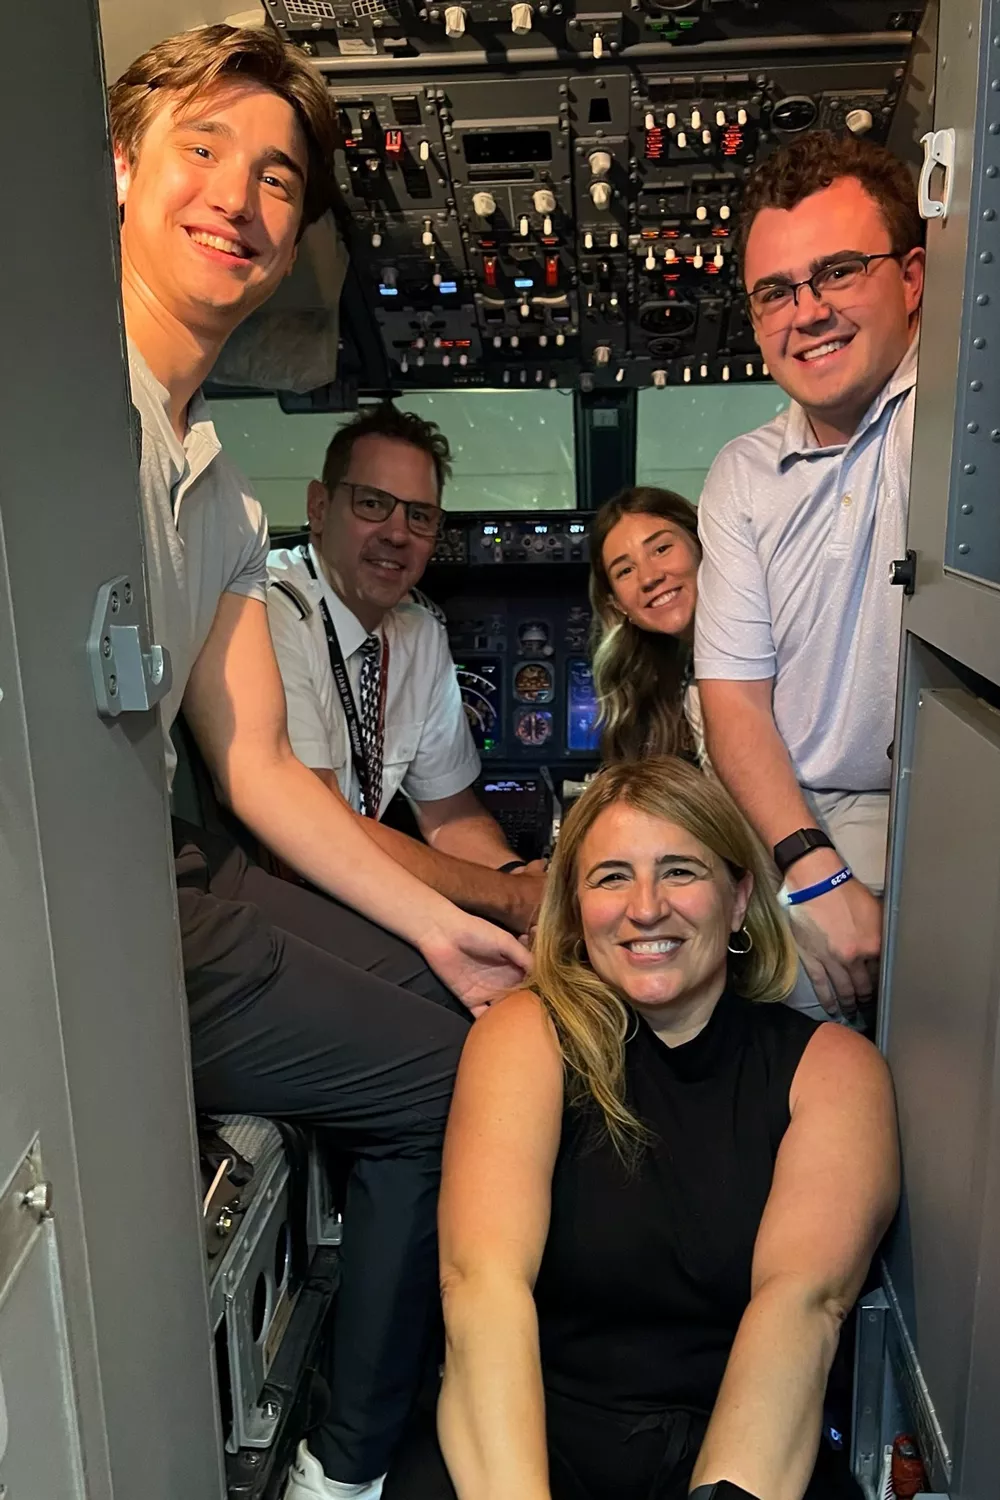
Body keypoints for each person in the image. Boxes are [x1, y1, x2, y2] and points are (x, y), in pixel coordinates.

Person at [109, 26, 530, 1500]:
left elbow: (268, 769)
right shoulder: (57, 407)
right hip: (87, 918)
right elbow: (262, 815)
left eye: (277, 178)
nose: (239, 196)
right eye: (204, 150)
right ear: (121, 164)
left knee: (466, 999)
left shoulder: (211, 492)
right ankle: (346, 1472)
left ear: (296, 236)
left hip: (148, 882)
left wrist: (460, 926)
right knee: (450, 1081)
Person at [437, 758, 898, 1500]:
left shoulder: (835, 1071)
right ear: (576, 904)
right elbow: (480, 1286)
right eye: (611, 877)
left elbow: (802, 1305)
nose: (645, 908)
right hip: (527, 1445)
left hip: (746, 1451)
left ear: (740, 894)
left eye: (680, 871)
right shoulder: (525, 1036)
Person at [694, 133, 925, 1020]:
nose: (809, 311)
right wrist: (810, 866)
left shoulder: (949, 426)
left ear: (911, 279)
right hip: (782, 808)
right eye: (777, 292)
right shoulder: (742, 475)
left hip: (911, 799)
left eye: (838, 272)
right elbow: (736, 702)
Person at [267, 403, 544, 931]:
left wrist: (521, 877)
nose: (397, 533)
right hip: (290, 901)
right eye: (373, 504)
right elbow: (316, 830)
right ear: (319, 507)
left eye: (419, 515)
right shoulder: (272, 613)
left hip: (357, 893)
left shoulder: (418, 631)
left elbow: (449, 815)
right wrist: (509, 899)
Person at [588, 485, 703, 764]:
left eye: (661, 549)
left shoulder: (775, 651)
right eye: (625, 570)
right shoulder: (667, 689)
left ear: (703, 546)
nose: (649, 577)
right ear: (617, 604)